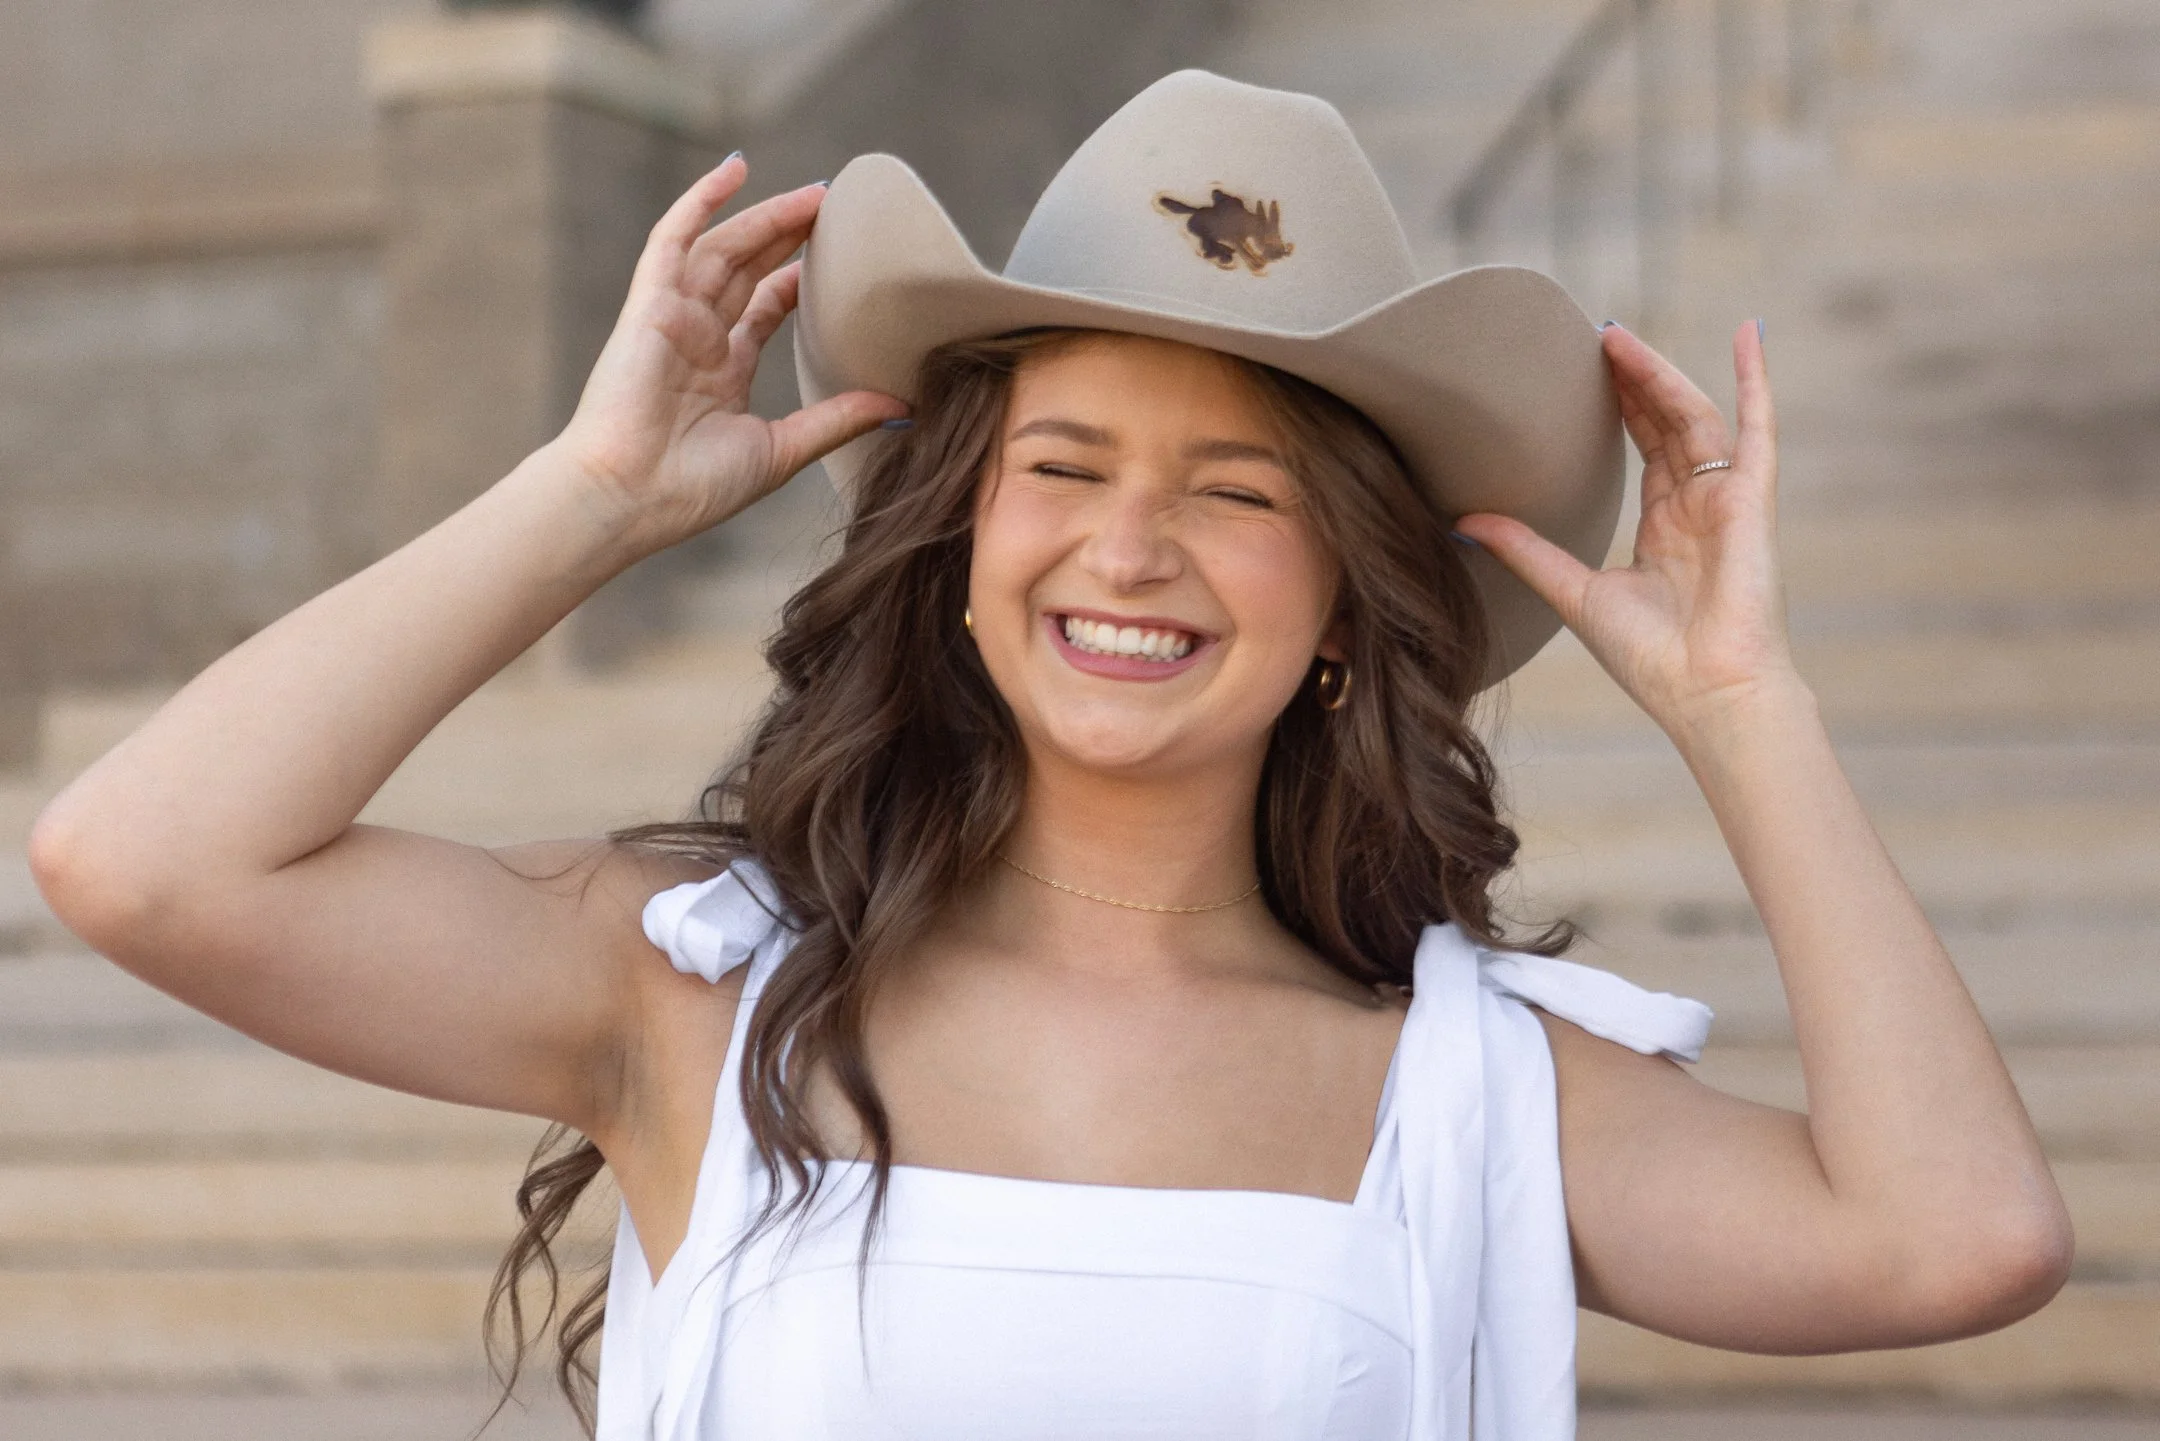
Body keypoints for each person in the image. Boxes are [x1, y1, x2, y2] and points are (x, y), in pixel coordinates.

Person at [30, 69, 2069, 1441]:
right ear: (961, 544)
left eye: (1238, 493)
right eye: (1060, 467)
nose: (1129, 546)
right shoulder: (693, 986)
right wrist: (591, 499)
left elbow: (1951, 1241)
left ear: (1354, 598)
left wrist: (1744, 713)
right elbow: (146, 860)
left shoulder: (1467, 1085)